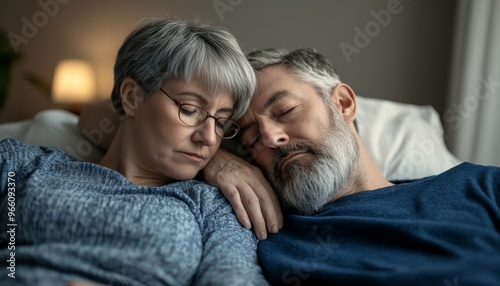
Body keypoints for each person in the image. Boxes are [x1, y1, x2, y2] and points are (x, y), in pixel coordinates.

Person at [0, 18, 269, 286]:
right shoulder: (20, 165)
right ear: (131, 97)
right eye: (189, 110)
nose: (210, 138)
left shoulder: (213, 207)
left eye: (221, 122)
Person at [232, 48, 500, 285]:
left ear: (344, 104)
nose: (269, 138)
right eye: (252, 138)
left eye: (285, 111)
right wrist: (218, 163)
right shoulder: (264, 235)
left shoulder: (478, 185)